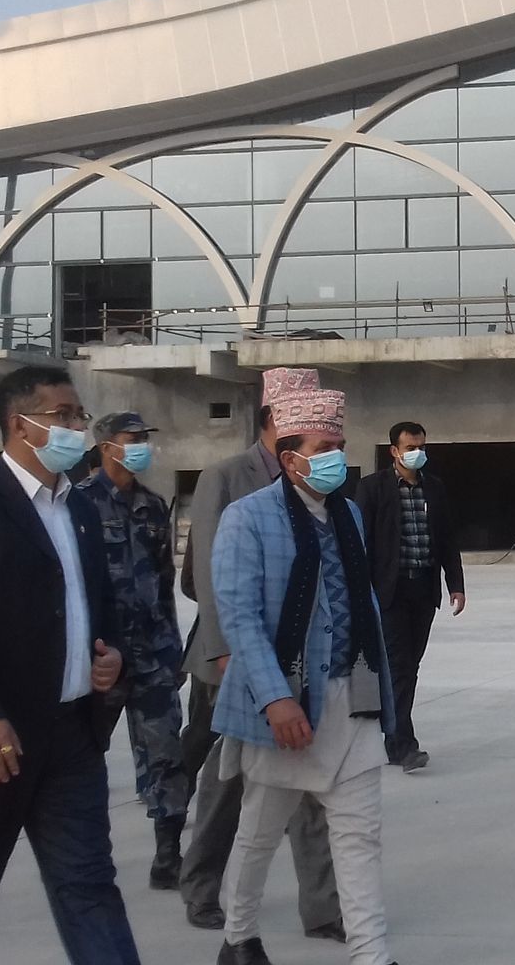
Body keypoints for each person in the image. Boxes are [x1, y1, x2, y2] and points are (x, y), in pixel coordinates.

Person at [0, 366, 138, 965]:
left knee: (89, 885)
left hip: (70, 737)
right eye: (63, 415)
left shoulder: (80, 508)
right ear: (20, 425)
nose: (77, 426)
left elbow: (99, 605)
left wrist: (111, 657)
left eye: (79, 415)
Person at [211, 370, 397, 965]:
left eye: (340, 446)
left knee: (360, 836)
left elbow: (361, 604)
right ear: (291, 458)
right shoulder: (247, 517)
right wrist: (276, 698)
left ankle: (371, 954)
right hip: (287, 705)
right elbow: (240, 618)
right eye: (324, 448)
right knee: (259, 833)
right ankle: (239, 938)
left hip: (352, 697)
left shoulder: (349, 516)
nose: (336, 457)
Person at [180, 394, 342, 939]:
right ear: (276, 420)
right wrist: (225, 651)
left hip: (305, 664)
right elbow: (209, 575)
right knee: (229, 782)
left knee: (312, 784)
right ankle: (202, 886)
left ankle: (322, 908)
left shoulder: (323, 490)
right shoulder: (227, 478)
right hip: (234, 659)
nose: (331, 446)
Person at [77, 412, 189, 891]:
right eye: (133, 438)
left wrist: (174, 649)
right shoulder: (78, 503)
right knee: (82, 759)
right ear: (107, 447)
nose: (142, 446)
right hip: (99, 658)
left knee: (167, 754)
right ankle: (83, 855)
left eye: (145, 438)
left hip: (153, 654)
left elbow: (164, 583)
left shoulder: (153, 505)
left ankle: (168, 855)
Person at [355, 421, 467, 773]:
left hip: (423, 590)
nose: (417, 453)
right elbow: (361, 543)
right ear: (394, 451)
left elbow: (446, 538)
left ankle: (391, 735)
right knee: (400, 666)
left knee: (409, 666)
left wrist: (456, 584)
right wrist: (361, 592)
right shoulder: (372, 488)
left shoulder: (434, 488)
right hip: (389, 591)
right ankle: (403, 744)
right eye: (410, 447)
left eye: (421, 446)